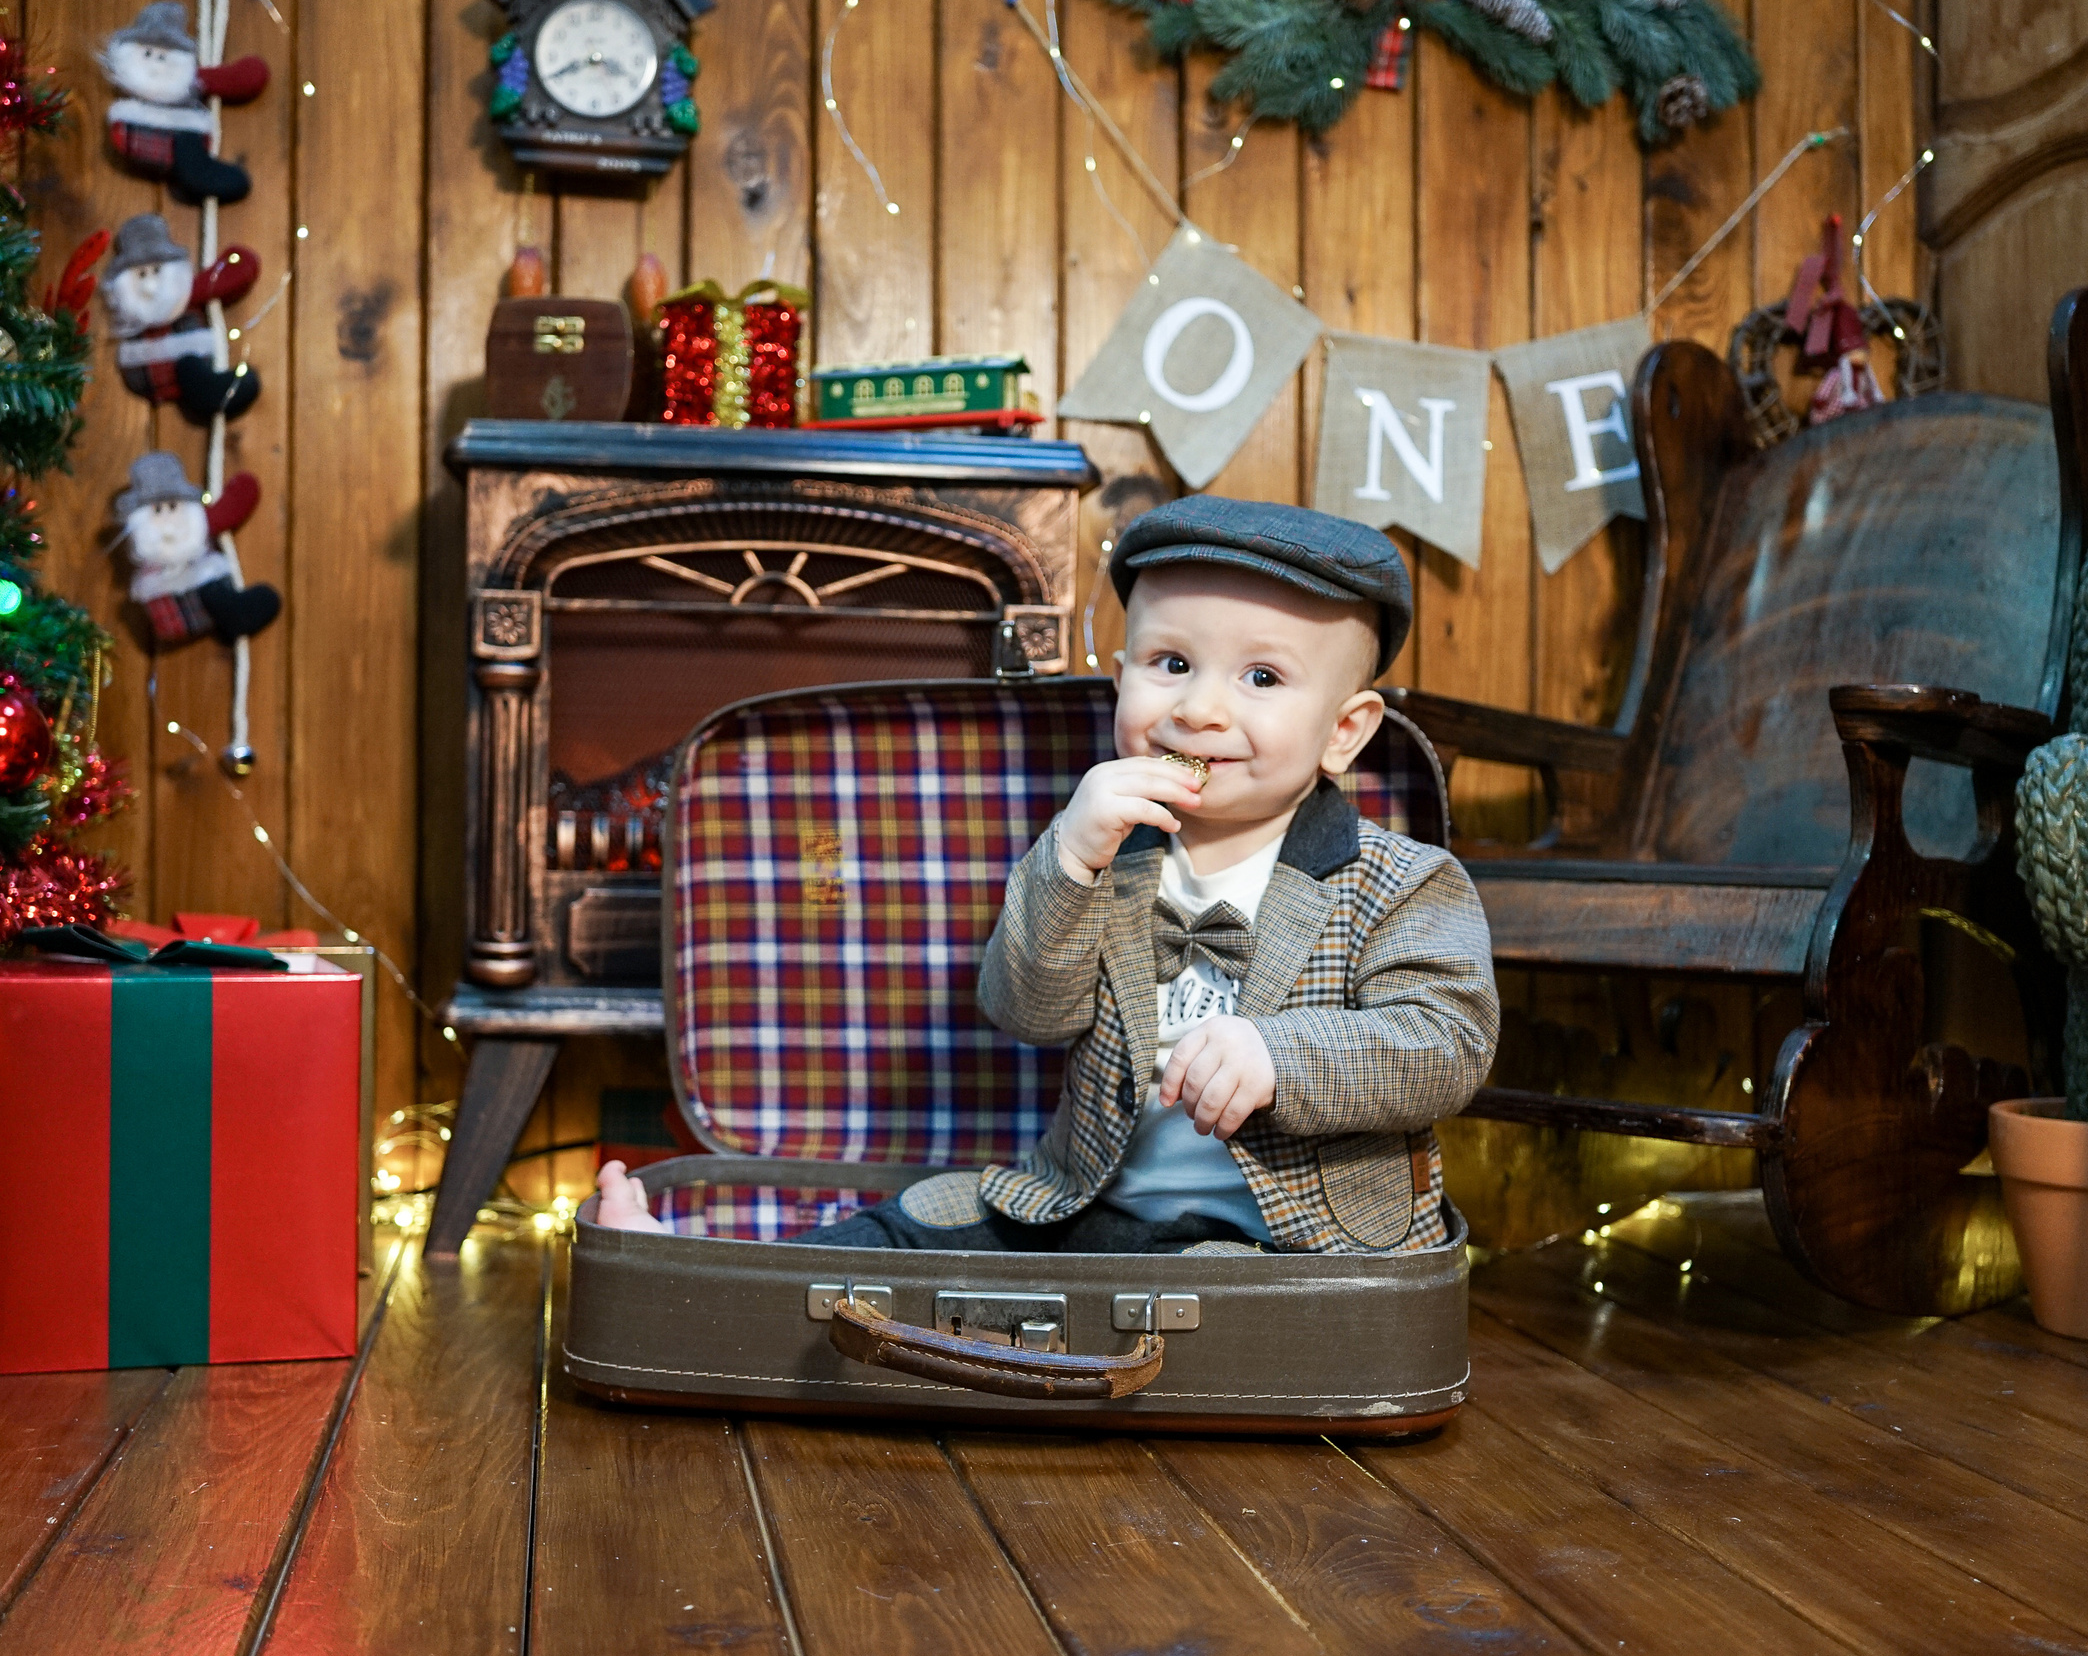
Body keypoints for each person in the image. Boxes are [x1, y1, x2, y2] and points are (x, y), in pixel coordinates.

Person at [593, 496, 1498, 1254]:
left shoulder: (1402, 880)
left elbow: (1449, 1044)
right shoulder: (1105, 850)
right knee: (919, 1223)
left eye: (1261, 677)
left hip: (1289, 1242)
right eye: (1171, 664)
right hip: (1088, 1206)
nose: (1199, 708)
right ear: (1123, 678)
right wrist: (1070, 857)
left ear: (1344, 730)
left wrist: (1280, 1056)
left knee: (1217, 1307)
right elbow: (1027, 1010)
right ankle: (701, 1269)